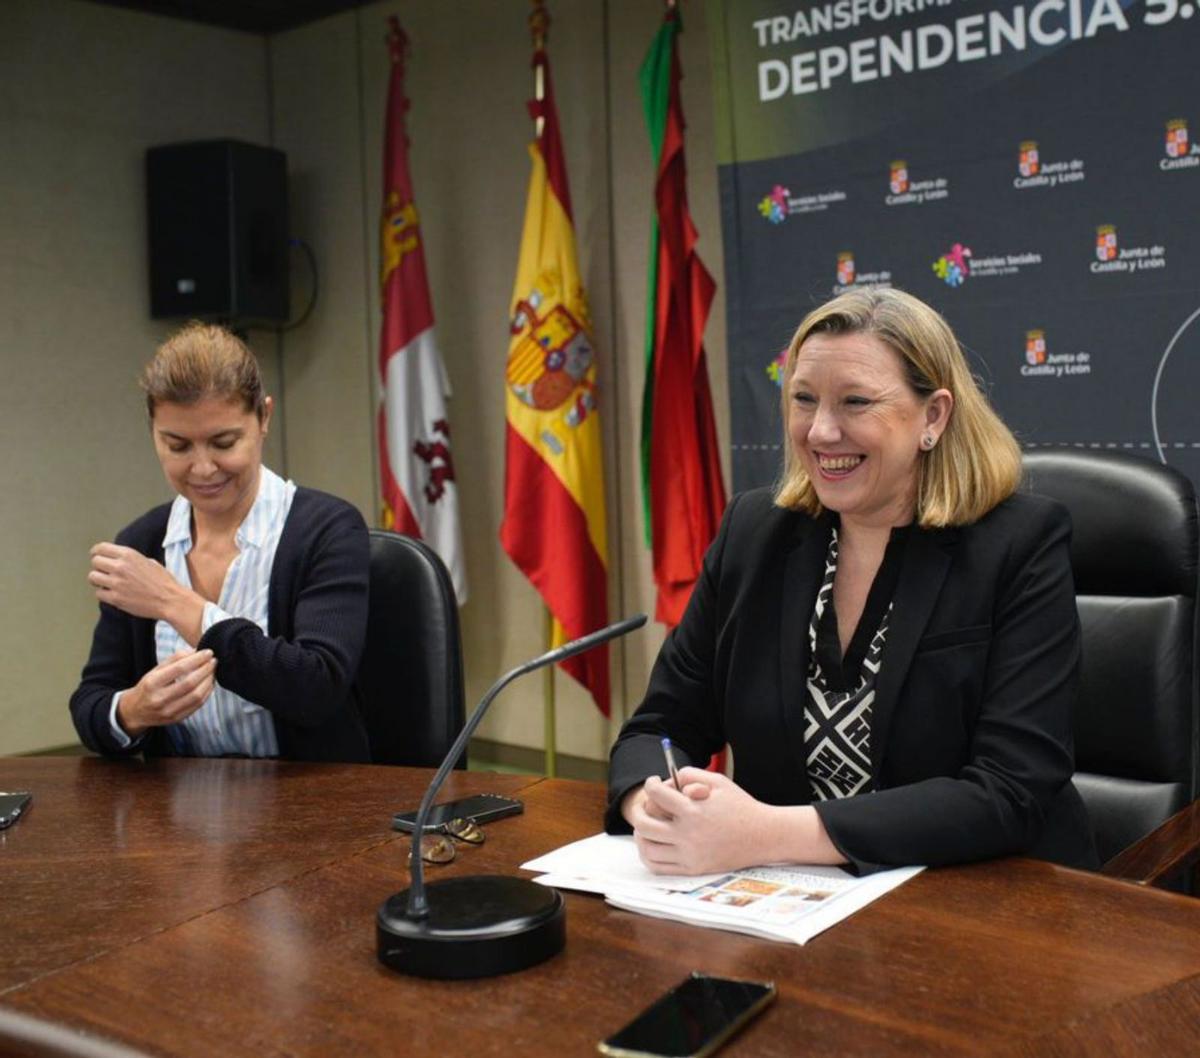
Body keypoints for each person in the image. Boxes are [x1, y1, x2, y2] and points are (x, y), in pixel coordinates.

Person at [607, 287, 1097, 876]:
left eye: (856, 402)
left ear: (933, 417)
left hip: (980, 900)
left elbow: (1009, 790)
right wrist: (652, 806)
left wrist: (766, 832)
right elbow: (660, 725)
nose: (820, 432)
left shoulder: (1019, 545)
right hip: (790, 902)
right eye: (804, 399)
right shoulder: (754, 532)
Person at [70, 322, 371, 762]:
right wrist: (133, 710)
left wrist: (176, 603)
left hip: (307, 806)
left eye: (223, 442)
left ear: (264, 418)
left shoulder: (328, 528)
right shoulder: (143, 542)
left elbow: (316, 687)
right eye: (177, 446)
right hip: (176, 810)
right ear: (153, 432)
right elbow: (90, 702)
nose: (203, 468)